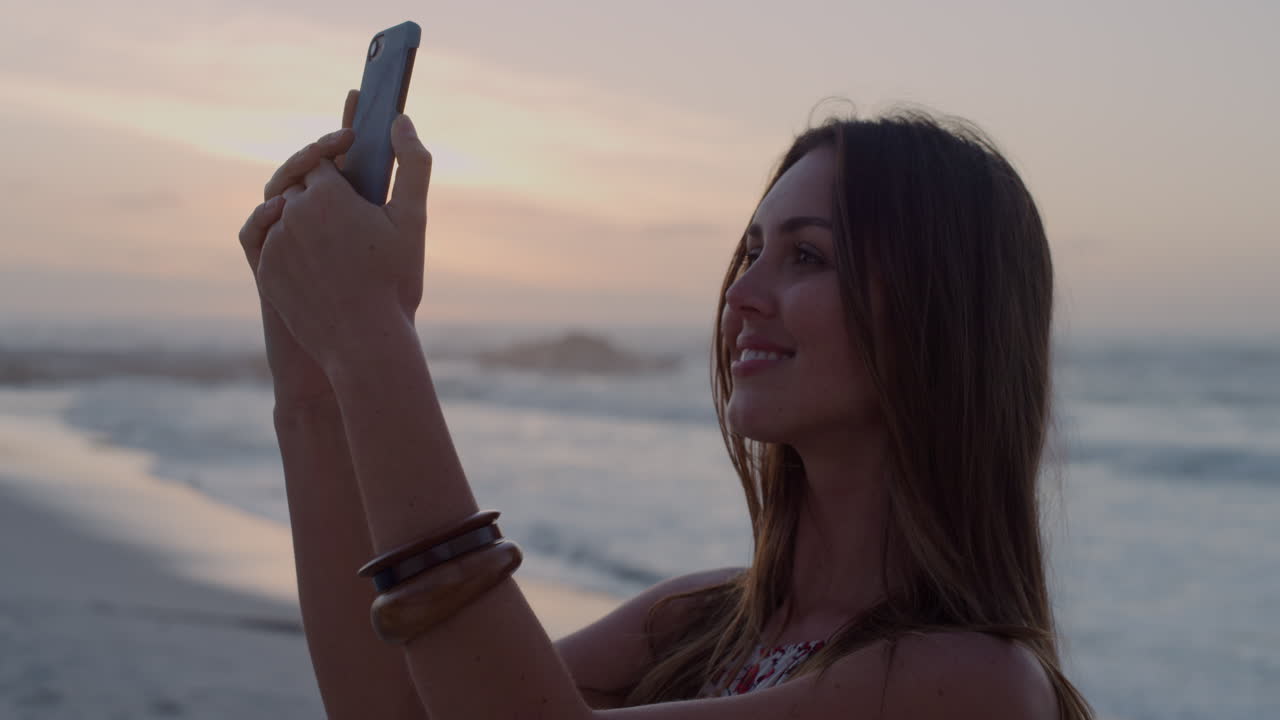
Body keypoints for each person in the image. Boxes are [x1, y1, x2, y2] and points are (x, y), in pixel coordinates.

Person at [237, 89, 1093, 719]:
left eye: (807, 258)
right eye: (751, 251)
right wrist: (313, 385)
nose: (742, 294)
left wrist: (375, 338)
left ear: (938, 317)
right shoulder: (696, 624)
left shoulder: (975, 685)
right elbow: (393, 713)